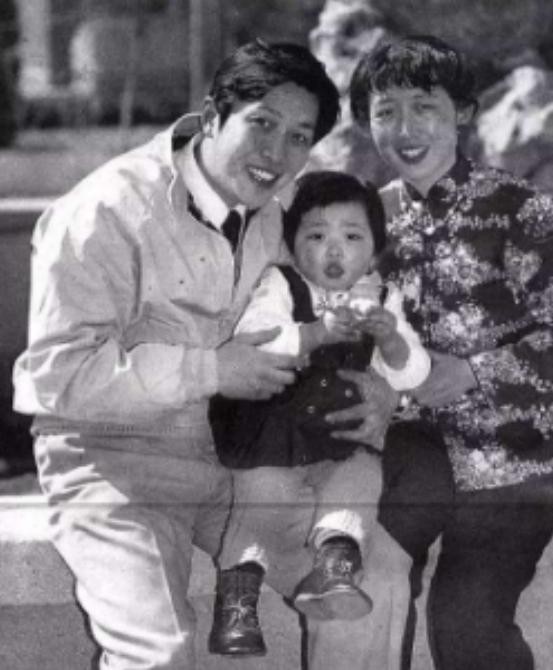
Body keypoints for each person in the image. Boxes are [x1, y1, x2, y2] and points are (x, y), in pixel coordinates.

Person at [12, 39, 410, 670]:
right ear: (213, 115)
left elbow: (344, 309)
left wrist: (385, 392)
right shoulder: (103, 211)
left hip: (248, 460)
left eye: (298, 137)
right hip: (115, 464)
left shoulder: (284, 218)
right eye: (262, 124)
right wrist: (210, 369)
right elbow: (58, 377)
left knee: (376, 580)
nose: (276, 153)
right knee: (158, 652)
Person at [349, 34, 553, 670]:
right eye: (386, 111)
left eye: (424, 106)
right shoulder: (364, 221)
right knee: (363, 588)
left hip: (516, 456)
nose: (405, 129)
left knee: (467, 619)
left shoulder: (520, 210)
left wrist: (477, 372)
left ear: (462, 113)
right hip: (408, 453)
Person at [207, 170, 430, 656]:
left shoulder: (384, 299)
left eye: (351, 237)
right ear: (292, 246)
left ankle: (336, 561)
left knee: (362, 478)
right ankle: (238, 601)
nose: (333, 250)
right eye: (316, 236)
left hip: (340, 441)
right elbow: (257, 337)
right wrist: (315, 333)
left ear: (374, 250)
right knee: (260, 504)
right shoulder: (282, 285)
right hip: (274, 436)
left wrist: (392, 339)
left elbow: (412, 372)